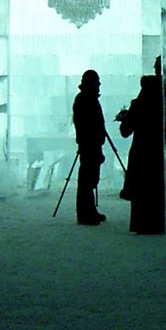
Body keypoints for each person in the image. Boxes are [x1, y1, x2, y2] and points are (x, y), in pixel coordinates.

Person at [116, 58, 165, 234]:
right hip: (163, 154)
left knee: (143, 194)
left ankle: (143, 225)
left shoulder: (141, 100)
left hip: (142, 153)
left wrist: (127, 116)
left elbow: (125, 130)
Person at [72, 69, 107, 225]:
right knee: (87, 180)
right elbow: (85, 124)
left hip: (91, 143)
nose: (99, 85)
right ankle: (86, 214)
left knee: (90, 179)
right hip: (89, 144)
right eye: (96, 82)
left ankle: (89, 211)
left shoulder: (86, 98)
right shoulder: (85, 100)